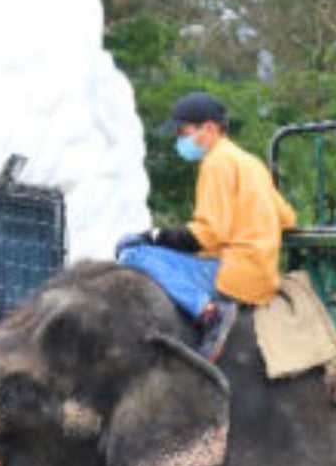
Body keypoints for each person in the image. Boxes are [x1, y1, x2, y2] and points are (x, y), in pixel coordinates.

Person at [116, 91, 297, 361]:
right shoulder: (249, 162)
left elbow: (209, 234)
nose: (180, 141)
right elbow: (287, 218)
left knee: (131, 252)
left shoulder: (216, 163)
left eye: (183, 132)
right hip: (262, 274)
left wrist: (154, 235)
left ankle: (208, 312)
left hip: (232, 276)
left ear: (209, 128)